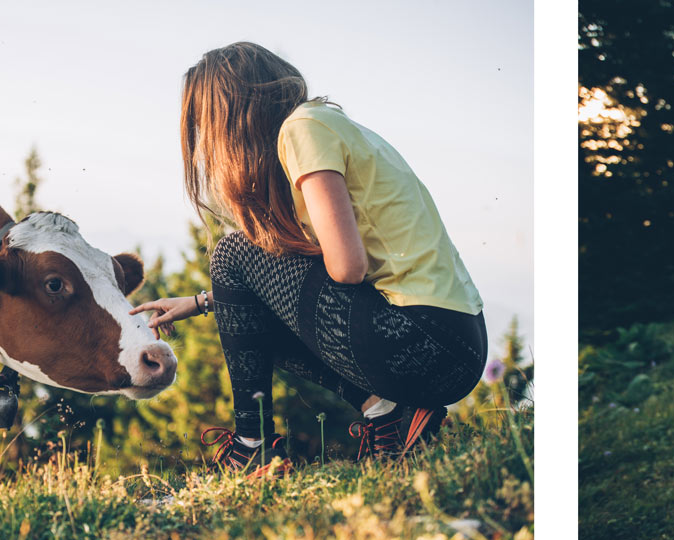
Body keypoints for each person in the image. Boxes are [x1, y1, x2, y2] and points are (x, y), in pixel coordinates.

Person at [132, 42, 486, 477]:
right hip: (450, 344)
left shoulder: (303, 128)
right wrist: (210, 300)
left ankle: (251, 444)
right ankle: (391, 416)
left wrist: (238, 283)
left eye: (207, 123)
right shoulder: (326, 126)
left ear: (233, 111)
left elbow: (346, 267)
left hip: (423, 340)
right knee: (247, 294)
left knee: (232, 251)